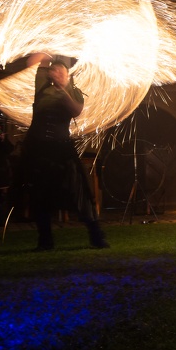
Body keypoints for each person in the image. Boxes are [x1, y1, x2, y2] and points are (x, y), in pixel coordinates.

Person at [21, 53, 109, 250]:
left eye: (61, 72)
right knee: (40, 194)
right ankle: (45, 240)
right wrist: (51, 45)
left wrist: (63, 92)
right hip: (39, 149)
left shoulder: (74, 91)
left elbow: (76, 110)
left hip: (61, 148)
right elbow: (32, 61)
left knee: (79, 189)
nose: (56, 74)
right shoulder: (42, 84)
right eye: (54, 71)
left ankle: (96, 236)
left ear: (68, 75)